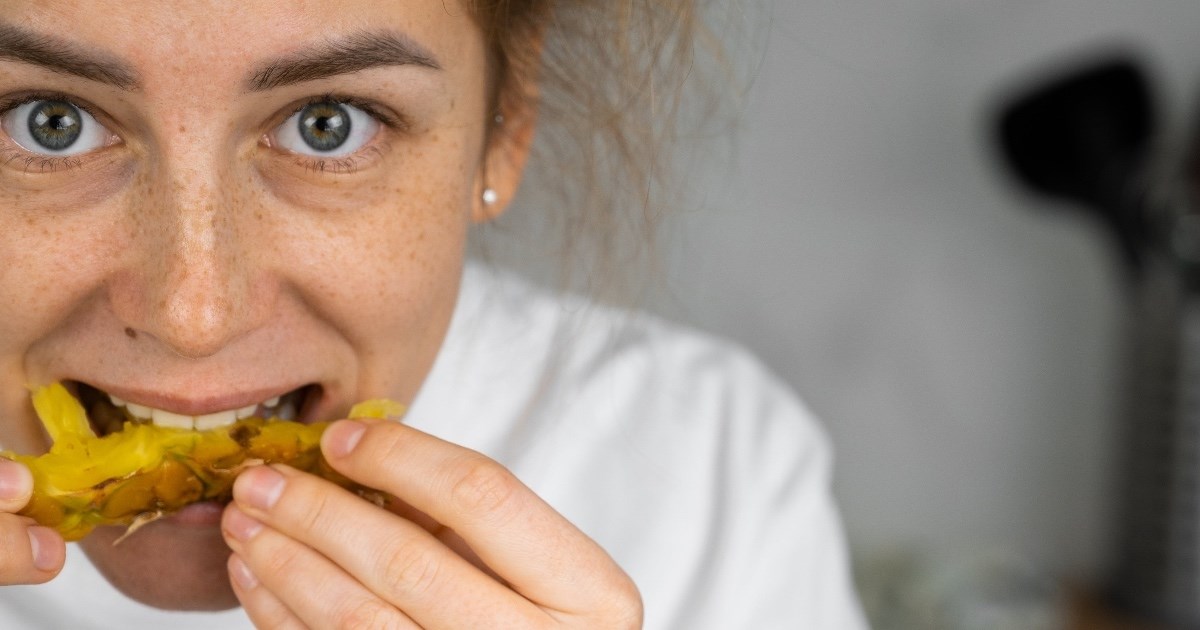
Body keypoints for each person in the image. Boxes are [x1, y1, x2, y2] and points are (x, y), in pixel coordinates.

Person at [0, 0, 866, 627]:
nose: (195, 315)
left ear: (506, 126)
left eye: (326, 125)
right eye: (48, 124)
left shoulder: (716, 467)